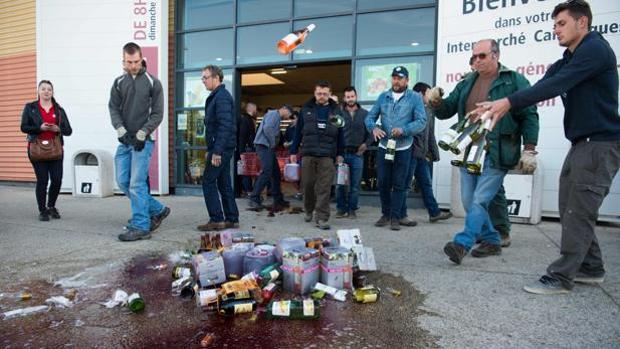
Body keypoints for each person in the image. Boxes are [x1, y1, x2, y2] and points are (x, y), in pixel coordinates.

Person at [479, 0, 620, 294]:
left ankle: (561, 276)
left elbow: (556, 86)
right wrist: (500, 104)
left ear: (582, 23)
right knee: (571, 206)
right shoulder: (569, 57)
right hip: (583, 143)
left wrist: (508, 102)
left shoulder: (594, 49)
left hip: (601, 144)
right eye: (554, 24)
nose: (555, 29)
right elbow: (542, 84)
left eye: (561, 23)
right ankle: (591, 266)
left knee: (578, 211)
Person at [428, 39, 539, 264]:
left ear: (495, 55)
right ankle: (492, 239)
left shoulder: (514, 80)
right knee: (469, 200)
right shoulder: (467, 81)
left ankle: (462, 243)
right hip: (468, 149)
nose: (477, 60)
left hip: (498, 149)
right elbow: (447, 110)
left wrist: (529, 149)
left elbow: (529, 115)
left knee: (480, 199)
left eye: (482, 56)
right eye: (474, 57)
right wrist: (436, 102)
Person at [109, 42, 171, 242]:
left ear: (142, 58)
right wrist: (120, 129)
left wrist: (143, 133)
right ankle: (158, 209)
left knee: (136, 184)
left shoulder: (153, 83)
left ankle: (141, 225)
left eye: (136, 61)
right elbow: (114, 108)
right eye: (129, 62)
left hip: (144, 141)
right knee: (123, 181)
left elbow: (158, 113)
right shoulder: (119, 82)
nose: (133, 65)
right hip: (126, 140)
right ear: (123, 61)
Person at [365, 66, 427, 231]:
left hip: (404, 147)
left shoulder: (414, 98)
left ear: (407, 80)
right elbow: (370, 117)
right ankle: (386, 213)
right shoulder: (383, 97)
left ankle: (395, 217)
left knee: (400, 183)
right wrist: (374, 128)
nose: (396, 81)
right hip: (385, 146)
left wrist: (404, 130)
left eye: (400, 78)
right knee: (383, 182)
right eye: (394, 77)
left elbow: (422, 121)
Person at [289, 80, 345, 230]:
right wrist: (293, 151)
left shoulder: (336, 112)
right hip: (308, 153)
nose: (321, 96)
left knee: (324, 187)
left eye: (325, 94)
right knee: (307, 185)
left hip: (327, 155)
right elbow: (297, 132)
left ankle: (322, 217)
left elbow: (341, 134)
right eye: (319, 93)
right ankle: (308, 209)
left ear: (330, 95)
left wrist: (340, 153)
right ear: (315, 93)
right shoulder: (306, 110)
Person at [400, 82, 453, 224]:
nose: (430, 96)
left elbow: (430, 135)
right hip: (410, 153)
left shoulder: (428, 111)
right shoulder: (409, 109)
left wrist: (434, 154)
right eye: (429, 93)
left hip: (422, 155)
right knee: (405, 185)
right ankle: (400, 215)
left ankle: (434, 213)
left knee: (426, 184)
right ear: (420, 94)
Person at [20, 80, 73, 221]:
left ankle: (51, 206)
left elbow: (69, 131)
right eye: (43, 89)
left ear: (52, 92)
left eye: (49, 89)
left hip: (55, 149)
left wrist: (58, 129)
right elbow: (24, 127)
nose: (46, 91)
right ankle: (42, 210)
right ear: (38, 91)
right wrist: (39, 128)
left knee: (56, 180)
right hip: (37, 149)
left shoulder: (59, 110)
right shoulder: (30, 107)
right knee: (42, 180)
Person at [196, 65, 240, 231]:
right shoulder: (218, 96)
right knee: (224, 182)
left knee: (208, 181)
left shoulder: (221, 97)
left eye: (205, 78)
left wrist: (217, 151)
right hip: (222, 147)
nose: (203, 81)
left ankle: (216, 219)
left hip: (221, 148)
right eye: (203, 78)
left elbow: (225, 126)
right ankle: (232, 218)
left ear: (216, 78)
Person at [247, 105, 293, 211]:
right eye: (288, 115)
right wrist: (272, 143)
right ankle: (254, 198)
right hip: (264, 146)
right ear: (285, 109)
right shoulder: (274, 114)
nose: (287, 118)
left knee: (276, 173)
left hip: (266, 146)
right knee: (267, 171)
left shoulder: (275, 116)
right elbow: (267, 128)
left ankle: (278, 199)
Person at [336, 86, 370, 219]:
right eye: (348, 97)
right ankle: (341, 209)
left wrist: (366, 144)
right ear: (344, 98)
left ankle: (352, 210)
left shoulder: (365, 114)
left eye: (352, 96)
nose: (350, 99)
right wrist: (337, 153)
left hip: (357, 155)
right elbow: (334, 134)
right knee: (340, 185)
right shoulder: (339, 114)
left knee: (355, 186)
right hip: (342, 155)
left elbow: (372, 133)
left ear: (356, 97)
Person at [237, 102, 257, 197]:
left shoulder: (246, 119)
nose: (256, 111)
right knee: (247, 171)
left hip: (246, 148)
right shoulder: (246, 120)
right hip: (247, 149)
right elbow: (242, 136)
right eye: (255, 109)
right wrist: (241, 151)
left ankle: (247, 190)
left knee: (247, 170)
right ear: (251, 109)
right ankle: (248, 190)